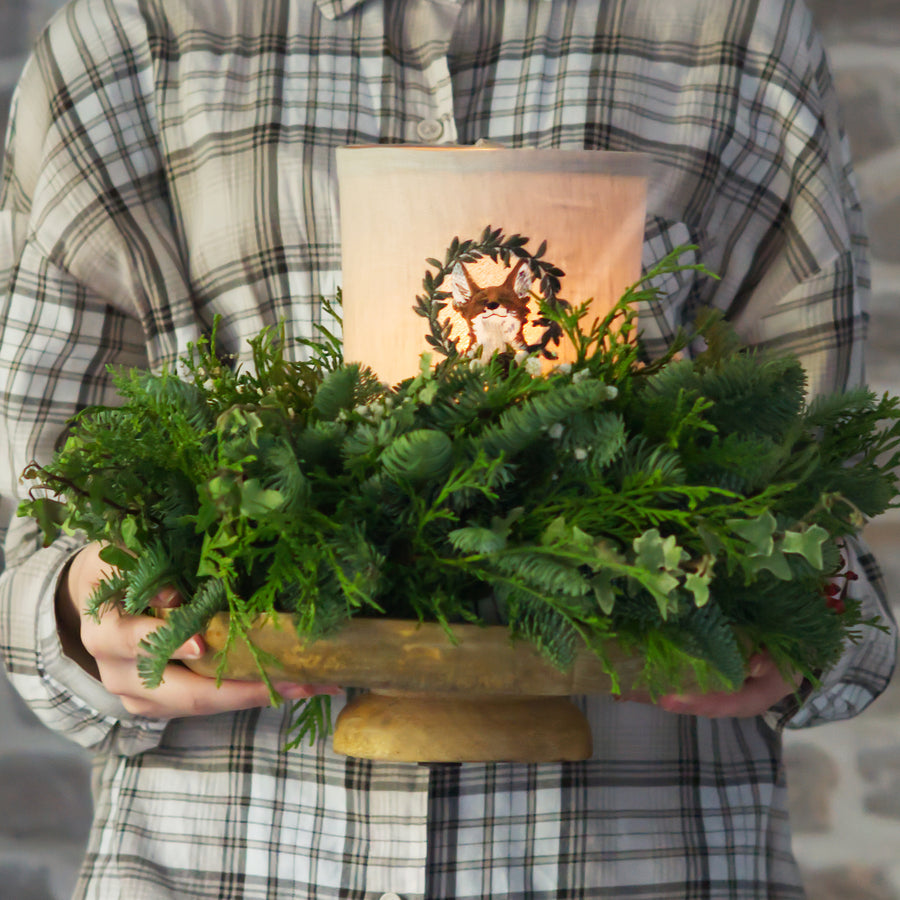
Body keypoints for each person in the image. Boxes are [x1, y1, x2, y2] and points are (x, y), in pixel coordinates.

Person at [0, 0, 894, 897]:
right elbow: (50, 533)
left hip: (642, 864)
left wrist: (797, 622)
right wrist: (87, 614)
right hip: (226, 865)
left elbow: (821, 514)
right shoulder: (134, 36)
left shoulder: (732, 31)